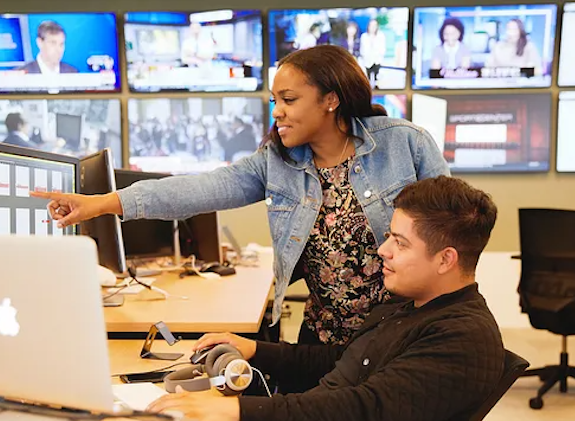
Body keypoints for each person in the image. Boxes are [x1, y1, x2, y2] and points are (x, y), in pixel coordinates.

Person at [147, 176, 505, 421]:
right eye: (389, 237)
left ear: (445, 259)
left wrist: (236, 410)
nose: (383, 250)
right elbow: (342, 361)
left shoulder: (463, 337)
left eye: (400, 243)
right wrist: (256, 350)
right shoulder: (410, 304)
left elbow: (363, 415)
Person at [32, 45, 450, 346]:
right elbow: (203, 188)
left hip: (402, 331)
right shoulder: (277, 161)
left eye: (288, 100)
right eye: (274, 101)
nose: (276, 111)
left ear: (330, 99)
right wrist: (105, 202)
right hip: (324, 336)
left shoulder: (404, 144)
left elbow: (452, 228)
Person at [359, 19, 386, 87]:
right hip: (367, 61)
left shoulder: (381, 36)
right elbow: (363, 50)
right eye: (371, 25)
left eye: (374, 25)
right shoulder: (364, 36)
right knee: (367, 81)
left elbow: (382, 49)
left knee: (377, 81)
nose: (373, 27)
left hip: (377, 61)